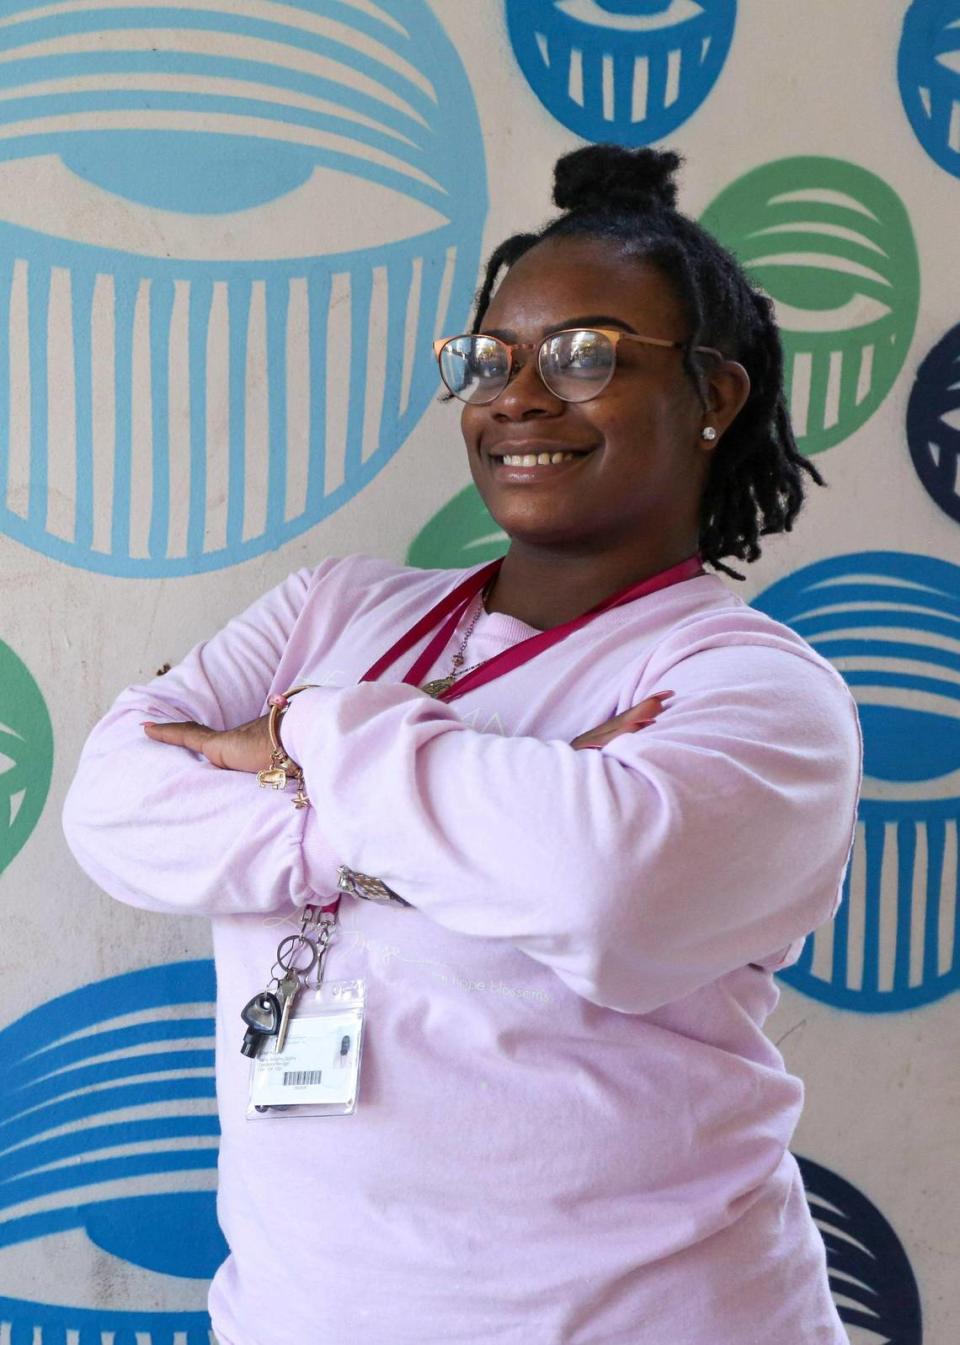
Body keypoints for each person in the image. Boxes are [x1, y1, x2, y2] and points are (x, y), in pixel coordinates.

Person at [63, 144, 862, 1345]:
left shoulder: (753, 688)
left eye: (587, 355)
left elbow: (603, 885)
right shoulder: (337, 608)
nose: (521, 395)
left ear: (715, 395)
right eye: (493, 359)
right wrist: (432, 826)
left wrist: (302, 729)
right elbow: (113, 810)